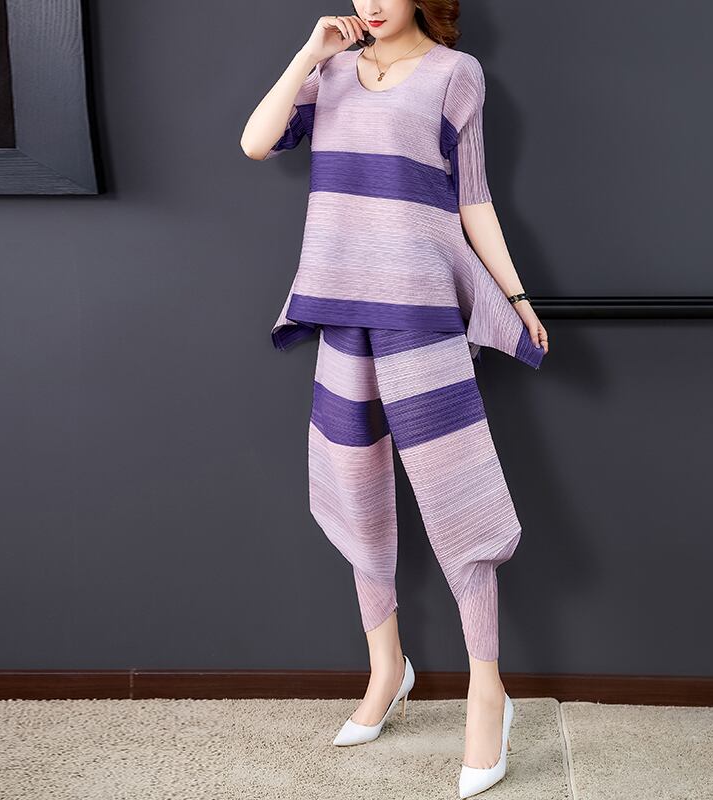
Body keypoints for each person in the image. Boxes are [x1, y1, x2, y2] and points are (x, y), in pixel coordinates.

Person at [241, 2, 550, 796]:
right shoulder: (331, 72)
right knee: (354, 489)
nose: (370, 2)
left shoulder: (455, 75)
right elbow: (255, 142)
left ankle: (489, 695)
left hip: (420, 306)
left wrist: (516, 297)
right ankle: (387, 670)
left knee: (458, 498)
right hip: (343, 307)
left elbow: (473, 200)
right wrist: (308, 53)